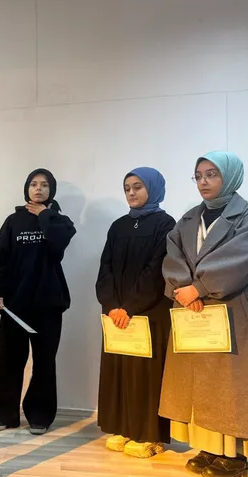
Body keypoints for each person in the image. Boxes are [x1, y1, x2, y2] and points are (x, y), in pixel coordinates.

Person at [160, 151, 248, 477]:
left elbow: (241, 258)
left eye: (212, 174)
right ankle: (209, 448)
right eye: (198, 176)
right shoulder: (188, 218)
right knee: (198, 381)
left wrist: (199, 287)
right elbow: (173, 256)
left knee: (232, 384)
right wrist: (182, 288)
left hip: (232, 309)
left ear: (230, 176)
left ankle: (235, 457)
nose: (203, 182)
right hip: (192, 309)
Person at [95, 167, 175, 458]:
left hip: (150, 311)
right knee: (119, 370)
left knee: (146, 374)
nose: (131, 192)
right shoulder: (118, 226)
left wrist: (129, 307)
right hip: (117, 314)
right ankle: (122, 427)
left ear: (153, 188)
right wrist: (111, 305)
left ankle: (149, 435)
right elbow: (105, 267)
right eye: (127, 188)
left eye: (138, 187)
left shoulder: (166, 224)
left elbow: (157, 271)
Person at [0, 168, 75, 436]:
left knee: (44, 362)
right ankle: (5, 413)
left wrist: (45, 215)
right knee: (8, 360)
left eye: (44, 185)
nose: (38, 189)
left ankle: (40, 416)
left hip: (48, 304)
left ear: (52, 190)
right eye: (34, 184)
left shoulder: (60, 221)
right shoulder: (13, 221)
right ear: (26, 188)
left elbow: (58, 247)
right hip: (15, 304)